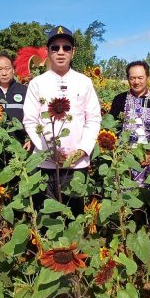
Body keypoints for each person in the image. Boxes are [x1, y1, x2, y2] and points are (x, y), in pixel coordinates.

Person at [23, 25, 101, 214]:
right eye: (55, 48)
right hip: (45, 162)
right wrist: (49, 151)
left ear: (73, 52)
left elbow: (93, 118)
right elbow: (30, 121)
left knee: (75, 215)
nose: (60, 52)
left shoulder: (84, 82)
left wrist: (82, 150)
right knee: (47, 216)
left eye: (66, 47)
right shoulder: (37, 83)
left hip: (76, 163)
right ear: (48, 52)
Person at [109, 61, 150, 186]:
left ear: (148, 78)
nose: (136, 81)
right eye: (132, 78)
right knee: (126, 190)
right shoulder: (120, 99)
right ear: (128, 79)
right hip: (125, 154)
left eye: (140, 78)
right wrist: (123, 150)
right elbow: (113, 126)